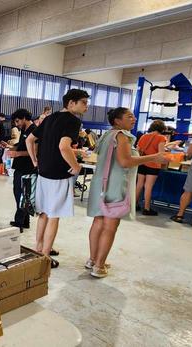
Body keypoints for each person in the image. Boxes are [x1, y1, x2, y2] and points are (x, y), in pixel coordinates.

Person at [86, 108, 166, 278]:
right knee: (110, 226)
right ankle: (99, 266)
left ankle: (93, 259)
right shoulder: (123, 135)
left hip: (100, 184)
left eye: (134, 116)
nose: (134, 119)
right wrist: (153, 157)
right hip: (115, 185)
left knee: (98, 222)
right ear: (117, 120)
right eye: (129, 116)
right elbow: (125, 161)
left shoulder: (107, 135)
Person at [25, 89, 88, 268]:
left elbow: (30, 140)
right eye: (83, 102)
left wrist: (34, 160)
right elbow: (63, 146)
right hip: (59, 174)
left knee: (44, 212)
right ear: (71, 103)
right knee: (54, 215)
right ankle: (45, 256)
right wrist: (76, 166)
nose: (86, 106)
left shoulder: (49, 118)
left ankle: (39, 248)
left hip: (44, 171)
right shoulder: (73, 121)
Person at [8, 109, 37, 230]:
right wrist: (11, 147)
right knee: (20, 193)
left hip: (27, 168)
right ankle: (25, 221)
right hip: (20, 167)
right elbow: (23, 146)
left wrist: (17, 154)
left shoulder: (34, 130)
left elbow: (35, 151)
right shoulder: (24, 130)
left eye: (18, 121)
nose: (17, 124)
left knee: (22, 194)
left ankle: (19, 222)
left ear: (24, 118)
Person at [135, 120, 168, 216]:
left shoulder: (144, 136)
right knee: (148, 186)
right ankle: (147, 208)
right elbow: (161, 153)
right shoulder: (161, 137)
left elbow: (138, 150)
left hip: (142, 162)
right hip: (153, 164)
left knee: (139, 184)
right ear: (162, 128)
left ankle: (134, 204)